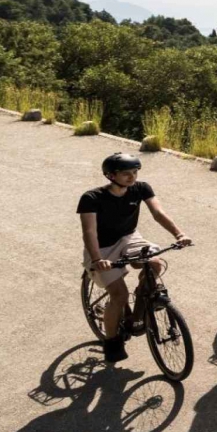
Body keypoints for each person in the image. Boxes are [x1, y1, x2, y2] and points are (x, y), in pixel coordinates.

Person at [78, 152, 192, 363]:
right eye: (126, 173)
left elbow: (158, 213)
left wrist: (179, 234)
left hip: (129, 238)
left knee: (155, 263)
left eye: (135, 172)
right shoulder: (91, 198)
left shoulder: (141, 189)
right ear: (111, 175)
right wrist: (96, 259)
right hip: (102, 248)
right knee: (119, 295)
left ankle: (142, 303)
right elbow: (89, 233)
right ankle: (111, 341)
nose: (132, 177)